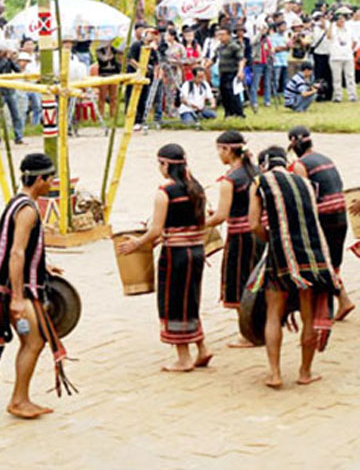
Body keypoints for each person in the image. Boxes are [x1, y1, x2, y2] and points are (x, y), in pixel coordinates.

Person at [0, 154, 75, 419]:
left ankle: (20, 398)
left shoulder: (18, 201)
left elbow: (18, 246)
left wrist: (43, 266)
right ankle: (18, 400)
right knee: (33, 341)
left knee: (32, 341)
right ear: (40, 179)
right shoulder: (28, 210)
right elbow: (16, 252)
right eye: (51, 178)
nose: (52, 183)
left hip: (8, 284)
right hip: (12, 288)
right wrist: (18, 299)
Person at [248, 146, 338, 388]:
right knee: (308, 316)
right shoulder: (304, 182)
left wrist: (270, 238)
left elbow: (253, 223)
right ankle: (305, 372)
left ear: (263, 165)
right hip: (311, 255)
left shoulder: (260, 182)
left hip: (281, 255)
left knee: (273, 314)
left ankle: (275, 374)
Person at [118, 144, 212, 371]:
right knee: (191, 299)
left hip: (176, 255)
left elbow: (156, 230)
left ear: (165, 164)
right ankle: (202, 348)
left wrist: (136, 243)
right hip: (197, 252)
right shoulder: (196, 187)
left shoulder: (165, 192)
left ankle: (183, 358)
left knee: (173, 302)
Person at [288, 126, 355, 320]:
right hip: (340, 215)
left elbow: (305, 197)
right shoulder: (325, 158)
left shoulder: (300, 165)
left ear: (293, 143)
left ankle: (342, 300)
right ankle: (334, 302)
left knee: (321, 262)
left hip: (324, 218)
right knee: (332, 262)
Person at [204, 131, 263, 347]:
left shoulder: (230, 180)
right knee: (257, 279)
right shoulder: (258, 171)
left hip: (240, 237)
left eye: (220, 150)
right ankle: (262, 326)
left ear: (227, 149)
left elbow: (221, 216)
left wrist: (200, 223)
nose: (219, 154)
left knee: (240, 283)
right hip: (260, 234)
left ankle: (248, 333)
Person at [0, 48, 24, 144]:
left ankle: (18, 136)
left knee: (16, 115)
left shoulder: (9, 62)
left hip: (10, 90)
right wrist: (6, 59)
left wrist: (11, 60)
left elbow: (18, 70)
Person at [327, 8, 358, 102]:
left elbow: (355, 41)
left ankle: (352, 95)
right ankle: (338, 96)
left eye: (343, 20)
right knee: (337, 78)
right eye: (339, 20)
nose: (341, 21)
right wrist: (331, 24)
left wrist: (350, 50)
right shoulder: (333, 29)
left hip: (348, 56)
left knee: (350, 76)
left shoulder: (349, 29)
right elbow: (328, 36)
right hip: (335, 56)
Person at [215, 27, 246, 118]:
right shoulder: (220, 47)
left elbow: (241, 59)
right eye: (219, 35)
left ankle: (238, 113)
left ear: (228, 35)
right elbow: (213, 58)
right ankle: (228, 113)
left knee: (233, 93)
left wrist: (240, 71)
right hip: (223, 73)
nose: (221, 37)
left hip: (232, 73)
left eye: (223, 35)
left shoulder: (234, 46)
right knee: (224, 94)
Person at [269, 20, 290, 105]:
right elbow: (275, 49)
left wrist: (284, 47)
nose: (284, 28)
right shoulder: (273, 37)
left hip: (285, 60)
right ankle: (274, 95)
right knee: (276, 79)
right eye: (282, 26)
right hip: (277, 61)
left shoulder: (286, 36)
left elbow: (289, 46)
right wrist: (285, 47)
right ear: (277, 27)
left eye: (285, 26)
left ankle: (287, 96)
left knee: (286, 80)